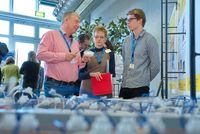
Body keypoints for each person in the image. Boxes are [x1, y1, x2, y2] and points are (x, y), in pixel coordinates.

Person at [36, 11, 90, 98]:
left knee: (68, 112)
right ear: (66, 20)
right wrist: (64, 56)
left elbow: (78, 65)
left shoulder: (75, 42)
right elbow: (40, 54)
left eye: (79, 22)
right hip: (54, 86)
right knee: (56, 112)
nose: (78, 25)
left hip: (72, 87)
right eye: (76, 21)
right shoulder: (51, 35)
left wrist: (83, 61)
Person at [119, 8, 160, 99]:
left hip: (140, 88)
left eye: (130, 19)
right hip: (125, 86)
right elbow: (125, 60)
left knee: (139, 113)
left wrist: (144, 79)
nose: (127, 22)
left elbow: (156, 66)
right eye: (127, 20)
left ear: (140, 20)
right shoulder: (126, 40)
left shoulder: (150, 40)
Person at [79, 26, 116, 97]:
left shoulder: (110, 53)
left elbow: (113, 74)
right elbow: (80, 75)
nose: (99, 39)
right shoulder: (86, 53)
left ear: (105, 39)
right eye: (96, 37)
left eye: (101, 37)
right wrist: (91, 74)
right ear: (93, 39)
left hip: (102, 90)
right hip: (87, 90)